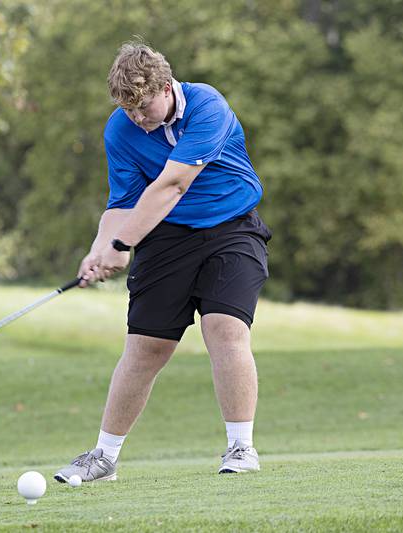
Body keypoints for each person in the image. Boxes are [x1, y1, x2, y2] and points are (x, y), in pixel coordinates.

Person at [54, 41, 271, 483]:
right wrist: (101, 247)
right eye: (128, 109)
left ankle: (241, 448)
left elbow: (172, 185)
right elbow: (123, 202)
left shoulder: (208, 105)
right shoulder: (120, 129)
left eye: (144, 106)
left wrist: (121, 245)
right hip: (165, 239)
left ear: (167, 87)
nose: (138, 119)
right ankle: (104, 457)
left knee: (225, 328)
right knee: (146, 346)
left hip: (231, 228)